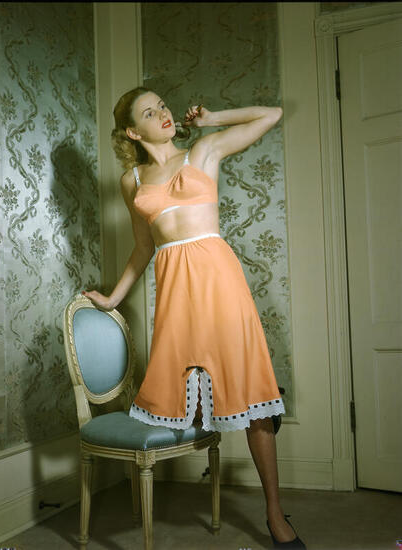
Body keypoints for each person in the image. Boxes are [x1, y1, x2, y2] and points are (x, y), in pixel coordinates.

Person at [83, 87, 306, 548]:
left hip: (221, 283)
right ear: (132, 131)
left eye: (163, 106)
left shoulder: (203, 151)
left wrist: (212, 118)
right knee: (191, 391)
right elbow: (143, 248)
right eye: (150, 112)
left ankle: (274, 513)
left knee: (254, 401)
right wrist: (112, 299)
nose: (163, 114)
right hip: (176, 295)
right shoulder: (132, 181)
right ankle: (235, 413)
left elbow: (271, 114)